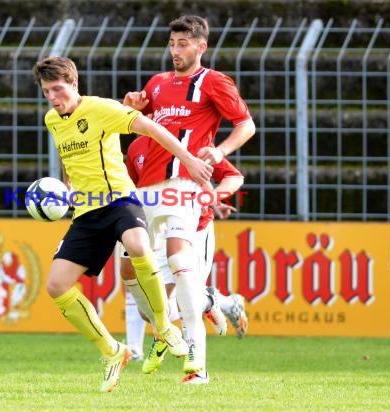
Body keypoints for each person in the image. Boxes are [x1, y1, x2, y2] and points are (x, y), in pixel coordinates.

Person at [32, 55, 213, 393]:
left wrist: (187, 158)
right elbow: (69, 158)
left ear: (73, 84)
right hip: (87, 212)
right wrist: (68, 188)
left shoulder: (101, 109)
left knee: (139, 245)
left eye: (58, 89)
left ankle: (163, 325)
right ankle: (113, 351)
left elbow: (152, 128)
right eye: (46, 92)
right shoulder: (52, 120)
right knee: (56, 286)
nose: (53, 98)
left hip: (119, 199)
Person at [122, 15, 256, 384]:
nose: (176, 51)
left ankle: (196, 367)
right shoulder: (158, 84)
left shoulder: (213, 81)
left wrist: (219, 150)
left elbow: (246, 124)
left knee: (181, 262)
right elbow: (137, 126)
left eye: (183, 44)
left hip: (183, 186)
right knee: (130, 272)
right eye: (172, 43)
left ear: (201, 46)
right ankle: (170, 329)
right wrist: (129, 104)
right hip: (148, 192)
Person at [121, 135, 249, 382]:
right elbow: (133, 191)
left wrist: (212, 199)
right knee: (151, 311)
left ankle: (198, 372)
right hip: (159, 232)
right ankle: (215, 301)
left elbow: (233, 176)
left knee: (186, 297)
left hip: (196, 230)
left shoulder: (192, 140)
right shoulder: (137, 147)